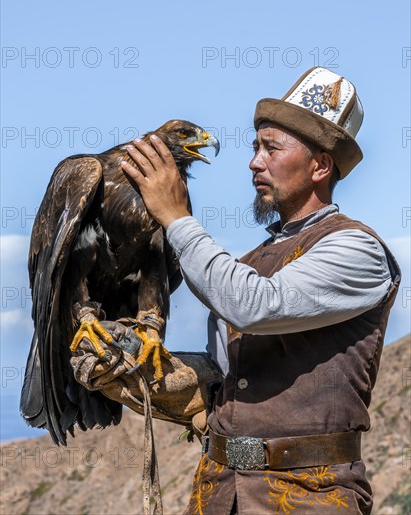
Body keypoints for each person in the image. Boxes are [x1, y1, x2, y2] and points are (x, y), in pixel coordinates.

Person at [120, 67, 401, 515]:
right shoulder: (250, 262)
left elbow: (255, 307)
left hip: (312, 497)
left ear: (320, 165)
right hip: (217, 493)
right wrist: (147, 368)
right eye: (255, 147)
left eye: (271, 148)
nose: (254, 161)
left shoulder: (357, 249)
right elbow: (227, 366)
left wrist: (175, 217)